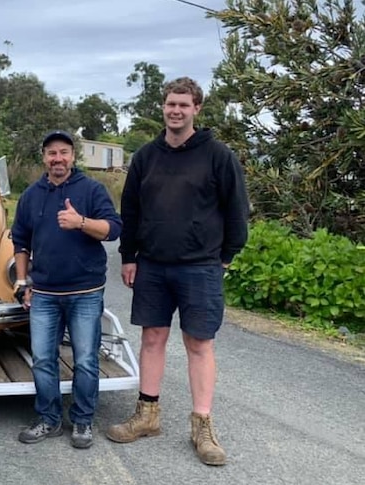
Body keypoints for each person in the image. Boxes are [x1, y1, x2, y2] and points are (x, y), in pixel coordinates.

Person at [105, 77, 249, 466]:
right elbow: (131, 210)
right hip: (152, 264)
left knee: (199, 344)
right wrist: (129, 255)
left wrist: (227, 256)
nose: (176, 110)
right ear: (163, 107)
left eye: (184, 105)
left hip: (201, 267)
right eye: (171, 103)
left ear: (197, 109)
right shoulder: (147, 157)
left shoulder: (218, 156)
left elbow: (237, 211)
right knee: (152, 337)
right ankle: (147, 415)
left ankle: (202, 425)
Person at [11, 130, 123, 449]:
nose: (57, 158)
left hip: (86, 292)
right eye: (51, 153)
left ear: (73, 156)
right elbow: (20, 241)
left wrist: (81, 222)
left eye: (64, 152)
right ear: (43, 157)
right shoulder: (31, 195)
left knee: (86, 359)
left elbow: (113, 230)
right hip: (44, 293)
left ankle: (83, 422)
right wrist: (22, 281)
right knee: (44, 358)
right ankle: (48, 419)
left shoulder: (91, 190)